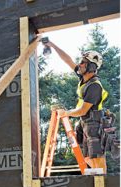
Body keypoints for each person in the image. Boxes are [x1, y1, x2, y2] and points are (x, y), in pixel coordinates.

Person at [44, 40, 109, 173]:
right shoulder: (84, 78)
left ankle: (102, 186)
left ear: (91, 66)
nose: (79, 64)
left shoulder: (94, 86)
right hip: (85, 122)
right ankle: (94, 180)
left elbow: (82, 110)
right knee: (86, 157)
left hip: (94, 123)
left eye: (83, 62)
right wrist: (52, 45)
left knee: (97, 158)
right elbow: (67, 60)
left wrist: (66, 113)